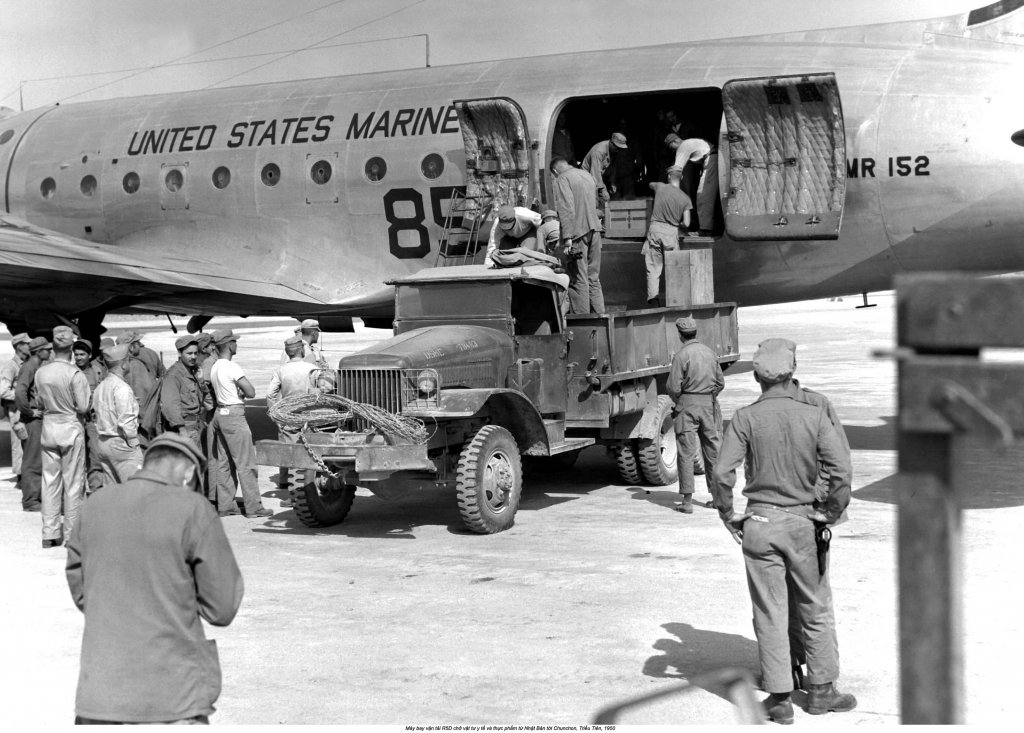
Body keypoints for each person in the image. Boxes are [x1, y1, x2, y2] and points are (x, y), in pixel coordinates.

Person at [712, 339, 856, 724]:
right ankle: (822, 691)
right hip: (803, 523)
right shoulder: (814, 412)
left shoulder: (744, 417)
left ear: (757, 376)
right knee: (815, 605)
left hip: (759, 524)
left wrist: (728, 514)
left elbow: (721, 473)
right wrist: (829, 512)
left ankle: (779, 699)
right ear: (792, 371)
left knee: (769, 611)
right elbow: (841, 469)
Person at [65, 432, 244, 725]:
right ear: (188, 475)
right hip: (174, 696)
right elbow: (221, 608)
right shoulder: (193, 509)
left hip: (99, 697)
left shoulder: (93, 506)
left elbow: (82, 590)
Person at [34, 325, 91, 548]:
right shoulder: (73, 373)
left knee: (49, 482)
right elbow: (84, 407)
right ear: (70, 348)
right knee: (74, 483)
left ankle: (49, 533)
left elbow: (39, 402)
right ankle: (71, 534)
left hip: (49, 427)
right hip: (70, 427)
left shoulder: (41, 372)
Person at [209, 329, 271, 518]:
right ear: (229, 345)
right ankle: (254, 507)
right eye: (234, 341)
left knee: (224, 463)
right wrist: (241, 391)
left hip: (220, 413)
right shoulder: (231, 366)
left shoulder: (215, 366)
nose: (236, 344)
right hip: (234, 416)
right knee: (246, 463)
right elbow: (251, 392)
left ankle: (226, 505)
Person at [666, 316, 723, 514]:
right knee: (712, 452)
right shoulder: (710, 353)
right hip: (708, 404)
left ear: (680, 335)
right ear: (695, 332)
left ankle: (687, 501)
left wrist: (682, 400)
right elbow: (721, 383)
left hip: (687, 405)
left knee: (686, 453)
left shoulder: (681, 356)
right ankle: (717, 498)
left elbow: (673, 387)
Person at [550, 156, 605, 314]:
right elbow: (595, 204)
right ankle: (602, 316)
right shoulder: (587, 175)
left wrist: (567, 238)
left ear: (554, 171)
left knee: (578, 279)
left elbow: (566, 208)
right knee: (593, 278)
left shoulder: (562, 179)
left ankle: (583, 321)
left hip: (578, 233)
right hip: (595, 229)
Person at [268, 335, 319, 507]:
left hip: (288, 417)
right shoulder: (312, 368)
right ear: (302, 350)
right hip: (308, 417)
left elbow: (270, 394)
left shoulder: (281, 370)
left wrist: (275, 414)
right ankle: (308, 492)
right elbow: (321, 391)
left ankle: (293, 495)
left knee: (291, 457)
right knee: (308, 455)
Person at [91, 345, 144, 485]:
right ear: (123, 364)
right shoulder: (122, 388)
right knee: (135, 488)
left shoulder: (101, 386)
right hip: (121, 442)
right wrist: (134, 444)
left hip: (103, 441)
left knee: (113, 491)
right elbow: (126, 421)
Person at [642, 165, 693, 306]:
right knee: (674, 267)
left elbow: (650, 184)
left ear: (669, 176)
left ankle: (653, 301)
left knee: (653, 268)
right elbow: (687, 223)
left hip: (655, 230)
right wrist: (678, 222)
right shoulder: (685, 199)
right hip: (671, 233)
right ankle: (675, 300)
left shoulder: (660, 187)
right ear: (681, 177)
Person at [14, 336, 53, 512]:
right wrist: (29, 411)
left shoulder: (37, 366)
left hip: (38, 420)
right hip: (32, 421)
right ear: (39, 352)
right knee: (32, 461)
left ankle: (37, 496)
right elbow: (20, 391)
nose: (50, 351)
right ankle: (30, 501)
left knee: (38, 459)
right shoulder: (29, 367)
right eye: (47, 349)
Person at [160, 334, 210, 448]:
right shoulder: (174, 375)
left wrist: (201, 381)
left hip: (195, 426)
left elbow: (202, 399)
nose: (193, 357)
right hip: (184, 429)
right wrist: (182, 431)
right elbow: (170, 406)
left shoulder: (193, 371)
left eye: (195, 353)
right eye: (189, 353)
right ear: (179, 353)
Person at [665, 134, 719, 236]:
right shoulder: (689, 143)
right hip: (713, 158)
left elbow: (676, 171)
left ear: (674, 142)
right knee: (708, 195)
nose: (672, 150)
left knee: (704, 195)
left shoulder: (683, 147)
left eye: (670, 147)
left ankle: (705, 230)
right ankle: (708, 228)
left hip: (712, 159)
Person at [73, 339, 107, 493]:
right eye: (76, 354)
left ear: (90, 355)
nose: (78, 357)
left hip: (93, 422)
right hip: (75, 422)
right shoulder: (70, 372)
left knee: (95, 457)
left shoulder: (98, 372)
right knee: (75, 460)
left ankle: (96, 489)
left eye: (82, 354)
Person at [1, 332, 31, 488]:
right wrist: (21, 396)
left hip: (24, 409)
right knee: (18, 443)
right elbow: (3, 390)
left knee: (28, 442)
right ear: (19, 347)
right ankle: (20, 477)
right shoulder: (11, 366)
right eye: (27, 344)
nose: (29, 346)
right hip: (16, 410)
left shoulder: (26, 364)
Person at [581, 132, 628, 204]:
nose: (618, 150)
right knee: (599, 200)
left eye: (620, 148)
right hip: (588, 179)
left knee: (607, 198)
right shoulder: (598, 151)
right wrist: (603, 190)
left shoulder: (614, 151)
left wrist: (612, 183)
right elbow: (595, 173)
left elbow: (613, 167)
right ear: (611, 143)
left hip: (599, 177)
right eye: (617, 147)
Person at [117, 331, 157, 406]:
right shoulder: (136, 365)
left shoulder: (120, 364)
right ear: (131, 347)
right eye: (137, 343)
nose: (140, 345)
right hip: (141, 410)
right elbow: (143, 391)